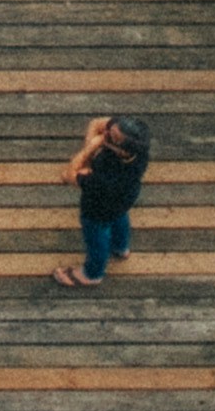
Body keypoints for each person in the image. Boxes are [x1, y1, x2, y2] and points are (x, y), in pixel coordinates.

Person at [53, 112, 153, 288]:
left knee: (97, 237)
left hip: (97, 208)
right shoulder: (139, 152)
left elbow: (68, 175)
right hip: (124, 199)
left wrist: (90, 149)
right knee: (119, 218)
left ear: (121, 150)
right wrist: (92, 155)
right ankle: (121, 248)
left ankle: (92, 273)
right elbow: (97, 122)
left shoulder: (107, 180)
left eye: (111, 137)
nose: (105, 134)